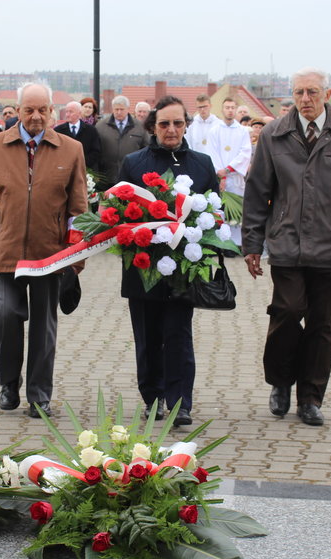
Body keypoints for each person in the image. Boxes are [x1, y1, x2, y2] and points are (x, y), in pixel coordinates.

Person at [242, 67, 331, 426]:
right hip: (286, 243)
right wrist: (251, 244)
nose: (305, 99)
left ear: (327, 94)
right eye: (299, 92)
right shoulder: (274, 134)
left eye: (312, 92)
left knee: (323, 324)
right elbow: (258, 193)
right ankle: (281, 381)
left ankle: (310, 398)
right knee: (286, 313)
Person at [0, 82, 88, 418]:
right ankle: (9, 382)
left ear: (51, 111)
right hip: (7, 253)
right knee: (6, 314)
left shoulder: (71, 149)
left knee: (44, 326)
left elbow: (79, 208)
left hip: (50, 254)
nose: (36, 117)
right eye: (29, 110)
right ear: (18, 110)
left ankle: (39, 395)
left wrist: (75, 257)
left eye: (43, 110)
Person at [117, 95, 217, 427]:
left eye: (177, 123)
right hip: (143, 264)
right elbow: (119, 214)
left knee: (177, 333)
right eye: (164, 124)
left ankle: (179, 402)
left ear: (186, 124)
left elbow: (212, 216)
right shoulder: (134, 163)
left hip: (183, 269)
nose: (171, 130)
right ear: (153, 127)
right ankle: (153, 397)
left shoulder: (202, 164)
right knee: (147, 336)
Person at [207, 97, 252, 246]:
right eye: (227, 107)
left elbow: (245, 152)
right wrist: (220, 173)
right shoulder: (214, 130)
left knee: (235, 211)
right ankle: (221, 242)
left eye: (233, 107)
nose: (230, 110)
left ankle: (236, 243)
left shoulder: (242, 131)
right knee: (220, 210)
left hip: (235, 176)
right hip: (219, 177)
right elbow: (212, 152)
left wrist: (228, 169)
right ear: (222, 109)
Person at [97, 95, 149, 190]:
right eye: (116, 109)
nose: (119, 112)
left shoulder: (139, 127)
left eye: (122, 109)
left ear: (128, 109)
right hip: (107, 177)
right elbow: (96, 151)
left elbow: (146, 149)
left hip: (132, 177)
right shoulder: (101, 126)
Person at [55, 101, 101, 170]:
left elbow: (96, 151)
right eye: (66, 112)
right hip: (65, 170)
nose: (67, 115)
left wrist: (81, 163)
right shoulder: (58, 131)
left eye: (71, 112)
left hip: (86, 170)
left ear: (79, 113)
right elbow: (55, 151)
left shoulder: (91, 130)